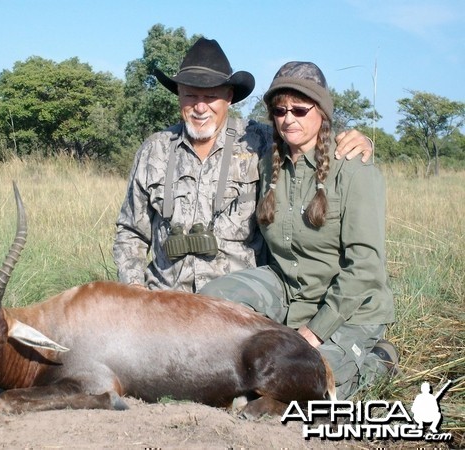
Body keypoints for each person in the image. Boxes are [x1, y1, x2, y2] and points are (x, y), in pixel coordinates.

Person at [199, 61, 396, 400]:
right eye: (279, 109)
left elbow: (364, 269)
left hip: (348, 307)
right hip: (287, 290)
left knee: (302, 382)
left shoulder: (355, 171)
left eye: (300, 109)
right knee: (208, 305)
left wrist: (313, 334)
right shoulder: (267, 160)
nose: (288, 118)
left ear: (322, 112)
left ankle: (379, 359)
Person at [113, 38, 373, 293]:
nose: (200, 107)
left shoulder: (259, 140)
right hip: (165, 298)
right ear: (178, 95)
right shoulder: (154, 149)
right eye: (190, 95)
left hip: (238, 303)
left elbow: (305, 135)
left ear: (229, 97)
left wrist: (356, 139)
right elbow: (130, 231)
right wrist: (135, 289)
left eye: (211, 96)